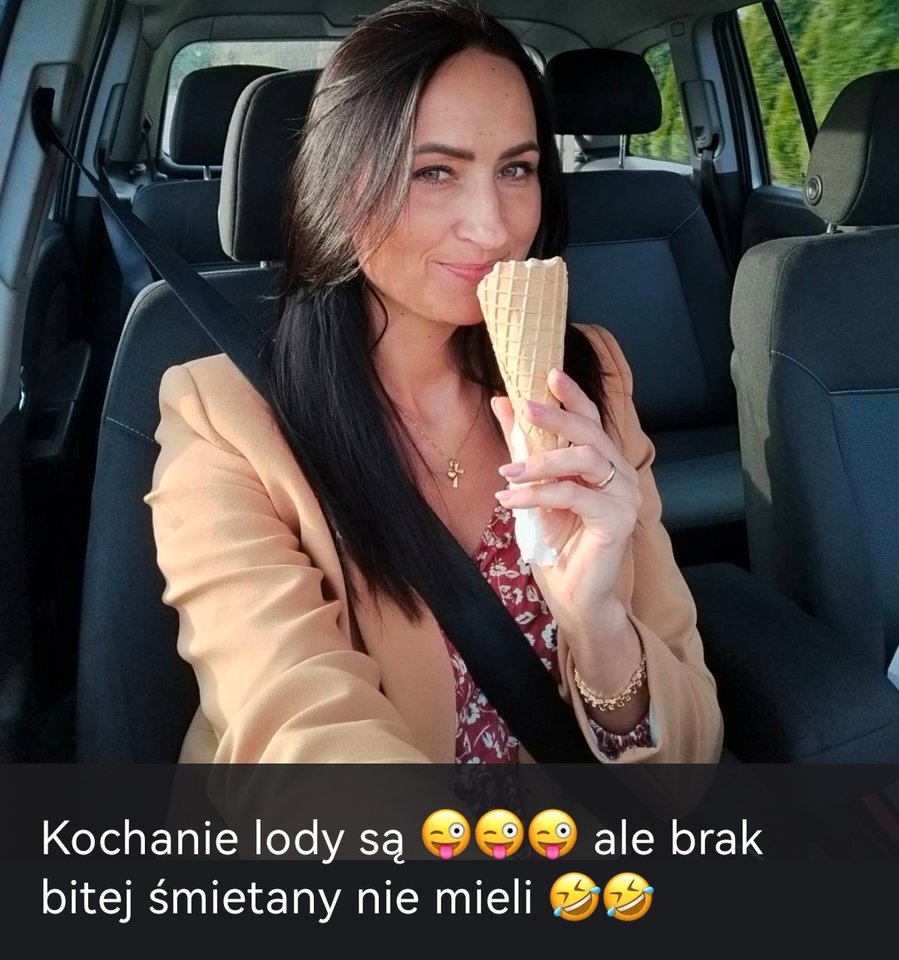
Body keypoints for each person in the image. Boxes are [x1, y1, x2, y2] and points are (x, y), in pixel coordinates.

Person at [144, 0, 724, 764]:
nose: (492, 227)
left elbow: (690, 752)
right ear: (338, 186)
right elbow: (297, 734)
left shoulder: (586, 377)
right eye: (433, 172)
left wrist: (595, 624)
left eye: (515, 169)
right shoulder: (224, 419)